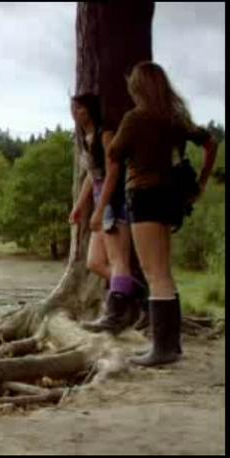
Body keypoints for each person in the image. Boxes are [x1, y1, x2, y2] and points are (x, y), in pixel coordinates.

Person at [95, 61, 219, 367]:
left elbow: (113, 153)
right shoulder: (175, 118)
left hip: (144, 196)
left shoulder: (135, 118)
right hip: (170, 198)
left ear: (138, 87)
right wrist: (202, 182)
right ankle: (171, 345)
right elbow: (210, 143)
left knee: (155, 273)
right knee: (164, 271)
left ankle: (162, 349)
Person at [68, 93, 144, 335]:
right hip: (101, 201)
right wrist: (79, 205)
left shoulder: (106, 134)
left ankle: (114, 316)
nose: (75, 113)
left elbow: (113, 172)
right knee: (94, 262)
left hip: (114, 202)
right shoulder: (85, 138)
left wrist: (100, 209)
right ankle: (140, 294)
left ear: (90, 110)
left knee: (117, 260)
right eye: (73, 108)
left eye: (79, 108)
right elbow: (92, 175)